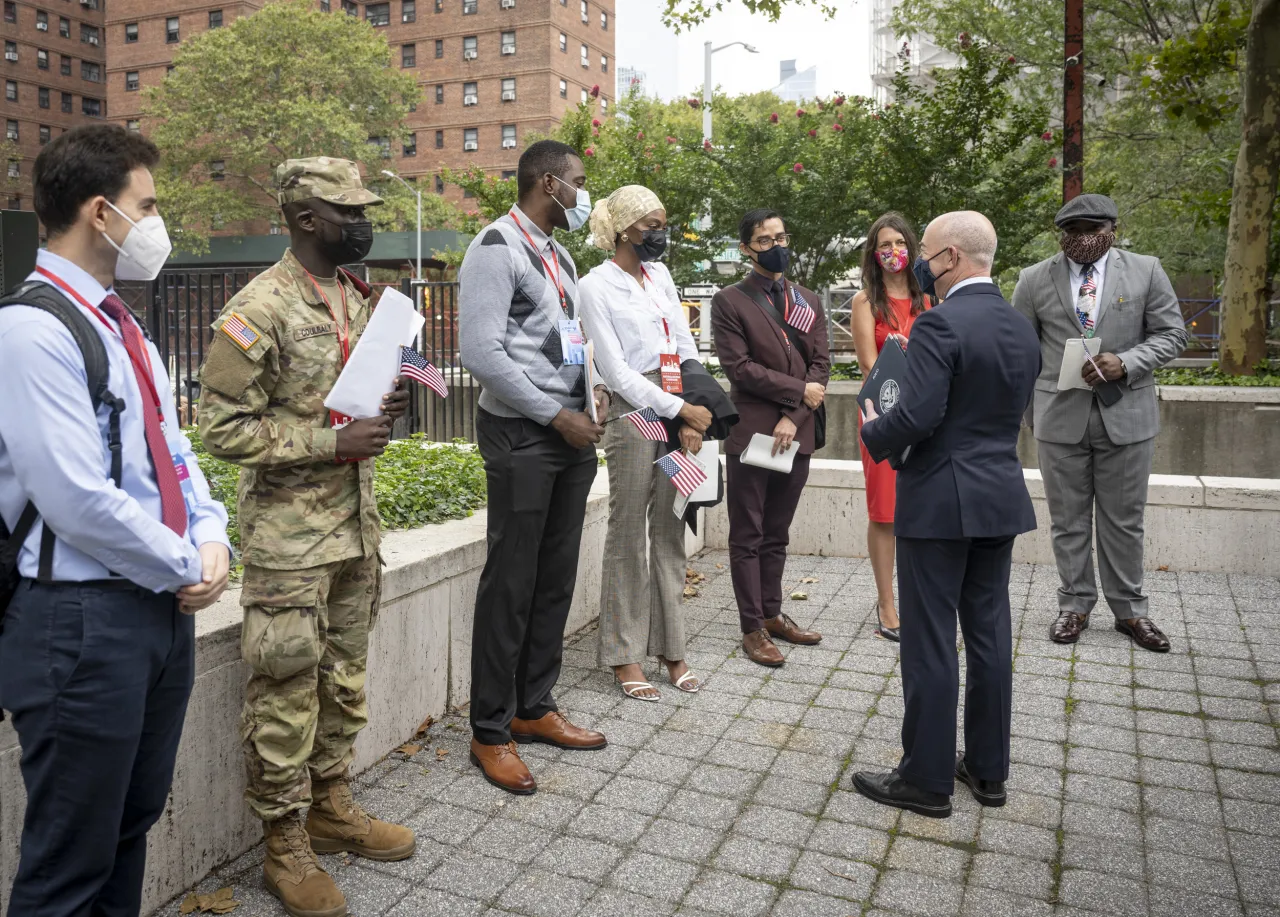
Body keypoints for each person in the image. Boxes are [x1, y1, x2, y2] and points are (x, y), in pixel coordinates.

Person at [0, 124, 232, 916]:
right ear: (102, 213)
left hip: (156, 615)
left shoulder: (121, 324)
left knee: (128, 827)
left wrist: (211, 535)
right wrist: (184, 562)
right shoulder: (31, 331)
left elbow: (173, 453)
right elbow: (75, 497)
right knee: (69, 859)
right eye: (149, 204)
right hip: (81, 624)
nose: (156, 223)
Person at [198, 157, 415, 917]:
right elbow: (218, 427)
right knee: (286, 691)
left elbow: (354, 403)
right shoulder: (261, 305)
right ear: (304, 219)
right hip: (290, 542)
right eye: (347, 211)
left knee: (343, 681)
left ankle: (331, 804)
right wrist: (331, 444)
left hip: (356, 529)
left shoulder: (358, 298)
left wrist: (382, 415)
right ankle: (284, 844)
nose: (363, 222)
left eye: (365, 209)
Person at [853, 211, 1040, 819]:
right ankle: (988, 772)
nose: (920, 262)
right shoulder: (1020, 327)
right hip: (999, 496)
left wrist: (874, 432)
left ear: (953, 258)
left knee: (930, 641)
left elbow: (918, 416)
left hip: (938, 501)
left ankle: (926, 779)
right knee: (989, 636)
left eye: (927, 253)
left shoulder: (939, 325)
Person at [458, 139, 611, 795]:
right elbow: (482, 354)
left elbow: (573, 339)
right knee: (511, 585)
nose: (584, 193)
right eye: (578, 182)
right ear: (548, 184)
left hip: (570, 435)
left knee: (553, 579)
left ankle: (534, 705)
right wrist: (556, 415)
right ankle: (490, 731)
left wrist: (592, 390)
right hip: (525, 434)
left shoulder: (560, 254)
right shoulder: (496, 248)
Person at [1013, 194, 1187, 653]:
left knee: (1124, 521)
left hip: (1127, 414)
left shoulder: (1146, 270)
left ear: (1112, 227)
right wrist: (1019, 416)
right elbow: (1020, 352)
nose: (1083, 240)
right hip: (1058, 418)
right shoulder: (1033, 279)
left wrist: (1127, 362)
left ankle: (1131, 611)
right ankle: (1074, 604)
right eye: (1072, 232)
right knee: (1067, 521)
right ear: (1061, 235)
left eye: (1093, 230)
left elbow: (1173, 334)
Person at [578, 185, 712, 701]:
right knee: (628, 530)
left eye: (662, 223)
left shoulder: (660, 275)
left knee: (670, 529)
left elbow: (684, 344)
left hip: (679, 402)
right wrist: (679, 409)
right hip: (635, 411)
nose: (660, 234)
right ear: (623, 231)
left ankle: (672, 648)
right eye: (651, 225)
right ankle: (624, 653)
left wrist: (692, 416)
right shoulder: (595, 286)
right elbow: (614, 370)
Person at [711, 209, 830, 668]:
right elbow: (739, 368)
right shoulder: (730, 301)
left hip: (794, 432)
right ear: (746, 248)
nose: (775, 245)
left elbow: (820, 366)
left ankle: (773, 612)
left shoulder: (808, 300)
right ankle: (752, 627)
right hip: (752, 433)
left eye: (780, 236)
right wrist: (796, 392)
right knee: (749, 532)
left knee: (777, 531)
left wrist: (795, 412)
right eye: (763, 240)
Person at [850, 211, 933, 643]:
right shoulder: (866, 301)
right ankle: (886, 603)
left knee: (921, 510)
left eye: (900, 244)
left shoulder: (931, 299)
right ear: (873, 252)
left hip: (925, 417)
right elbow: (868, 364)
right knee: (885, 513)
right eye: (884, 245)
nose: (893, 252)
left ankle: (920, 599)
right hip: (883, 416)